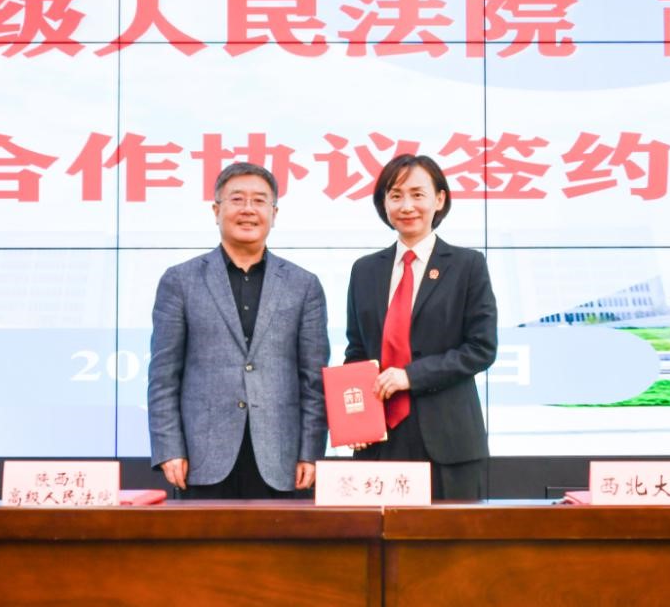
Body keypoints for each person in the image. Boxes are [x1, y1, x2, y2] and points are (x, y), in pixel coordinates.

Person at [148, 162, 329, 498]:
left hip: (281, 459)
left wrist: (311, 451)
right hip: (201, 459)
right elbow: (163, 376)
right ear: (216, 211)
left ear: (274, 213)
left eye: (259, 201)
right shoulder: (180, 281)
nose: (248, 209)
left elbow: (314, 380)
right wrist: (169, 447)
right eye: (237, 199)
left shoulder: (303, 285)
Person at [344, 154, 498, 500]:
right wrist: (356, 420)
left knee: (450, 535)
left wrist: (410, 376)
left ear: (439, 199)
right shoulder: (364, 270)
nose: (406, 206)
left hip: (449, 440)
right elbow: (357, 351)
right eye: (395, 195)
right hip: (380, 438)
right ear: (383, 203)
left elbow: (481, 348)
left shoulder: (467, 265)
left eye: (417, 194)